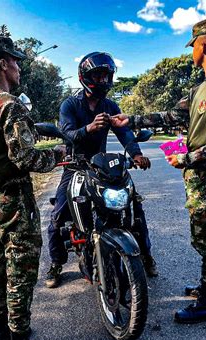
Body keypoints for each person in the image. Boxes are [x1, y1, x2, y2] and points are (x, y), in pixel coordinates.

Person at [111, 17, 206, 323]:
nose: (191, 52)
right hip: (199, 175)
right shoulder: (201, 87)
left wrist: (185, 159)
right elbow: (171, 117)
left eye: (193, 45)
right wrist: (129, 120)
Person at [0, 35, 65, 340]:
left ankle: (0, 339)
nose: (19, 67)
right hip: (14, 204)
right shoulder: (9, 104)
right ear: (4, 63)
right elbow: (25, 158)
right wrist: (57, 156)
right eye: (16, 61)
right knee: (19, 272)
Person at [45, 51, 158, 289]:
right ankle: (56, 263)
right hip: (75, 166)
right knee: (57, 216)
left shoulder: (110, 105)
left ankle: (145, 256)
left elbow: (124, 132)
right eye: (98, 75)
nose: (103, 81)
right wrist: (89, 127)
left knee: (134, 207)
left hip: (102, 166)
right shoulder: (70, 104)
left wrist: (136, 154)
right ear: (85, 77)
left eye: (107, 76)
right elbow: (67, 133)